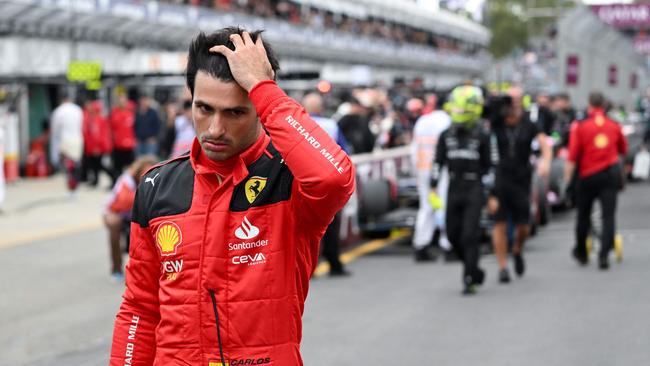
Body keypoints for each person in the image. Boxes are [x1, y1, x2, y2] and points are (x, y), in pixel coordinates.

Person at [109, 28, 355, 365]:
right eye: (204, 108)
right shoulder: (157, 185)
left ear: (259, 108)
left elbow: (334, 177)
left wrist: (265, 89)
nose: (214, 129)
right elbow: (140, 308)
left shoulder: (289, 177)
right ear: (190, 98)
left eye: (235, 113)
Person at [432, 85, 491, 295]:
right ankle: (474, 268)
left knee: (469, 235)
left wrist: (492, 194)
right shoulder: (445, 135)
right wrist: (433, 188)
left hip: (474, 187)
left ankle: (469, 277)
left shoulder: (483, 135)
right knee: (452, 234)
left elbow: (490, 166)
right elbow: (437, 163)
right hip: (454, 187)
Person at [489, 87, 552, 283]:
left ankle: (517, 249)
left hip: (521, 179)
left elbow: (544, 143)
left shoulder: (529, 123)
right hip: (500, 178)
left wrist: (545, 161)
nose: (513, 103)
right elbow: (487, 110)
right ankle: (502, 268)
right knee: (498, 223)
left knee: (523, 226)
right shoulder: (496, 121)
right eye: (510, 99)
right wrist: (499, 101)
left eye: (516, 99)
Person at [564, 92, 627, 270]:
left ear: (590, 105)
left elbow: (572, 156)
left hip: (587, 176)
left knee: (583, 215)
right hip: (609, 175)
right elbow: (623, 148)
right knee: (608, 216)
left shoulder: (580, 126)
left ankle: (582, 252)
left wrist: (568, 181)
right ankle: (604, 255)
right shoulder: (614, 125)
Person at [302, 92, 350, 276]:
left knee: (306, 230)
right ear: (320, 108)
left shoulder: (295, 124)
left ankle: (309, 269)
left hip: (304, 183)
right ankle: (334, 264)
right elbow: (344, 153)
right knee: (331, 226)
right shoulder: (331, 125)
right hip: (329, 183)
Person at [410, 94, 452, 261]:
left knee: (426, 207)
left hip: (423, 169)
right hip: (442, 171)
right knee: (444, 205)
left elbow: (414, 149)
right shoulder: (447, 121)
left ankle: (421, 244)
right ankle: (447, 244)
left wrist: (417, 170)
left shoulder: (422, 121)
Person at [104, 155, 157, 282]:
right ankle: (116, 268)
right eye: (144, 172)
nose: (147, 176)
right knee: (114, 223)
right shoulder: (126, 180)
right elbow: (124, 202)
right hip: (118, 213)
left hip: (138, 214)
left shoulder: (156, 181)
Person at [50, 93, 84, 196]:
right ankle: (75, 187)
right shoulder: (78, 110)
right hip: (77, 140)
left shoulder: (59, 111)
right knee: (76, 165)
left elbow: (55, 129)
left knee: (68, 167)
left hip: (65, 141)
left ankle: (70, 188)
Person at [82, 100, 113, 187]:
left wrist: (97, 147)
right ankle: (95, 180)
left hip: (99, 147)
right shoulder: (94, 119)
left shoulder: (98, 120)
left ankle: (113, 177)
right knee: (94, 164)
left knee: (100, 165)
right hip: (94, 147)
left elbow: (98, 136)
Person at [109, 92, 136, 185]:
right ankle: (116, 184)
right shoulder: (114, 114)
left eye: (124, 100)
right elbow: (110, 129)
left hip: (129, 146)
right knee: (117, 168)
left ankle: (131, 184)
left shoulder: (131, 113)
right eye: (120, 100)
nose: (122, 102)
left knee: (131, 167)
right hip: (118, 146)